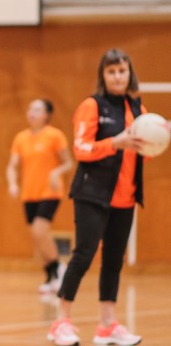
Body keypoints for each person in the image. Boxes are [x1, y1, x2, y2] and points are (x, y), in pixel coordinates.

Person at [48, 49, 145, 346]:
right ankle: (60, 322)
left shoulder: (137, 108)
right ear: (103, 75)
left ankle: (106, 326)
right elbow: (81, 149)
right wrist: (115, 142)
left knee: (114, 260)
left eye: (122, 71)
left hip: (125, 196)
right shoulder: (92, 106)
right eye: (111, 71)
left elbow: (141, 151)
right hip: (92, 193)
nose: (117, 76)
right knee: (84, 254)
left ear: (130, 74)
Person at [6, 99, 73, 293]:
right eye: (30, 109)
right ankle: (50, 275)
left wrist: (55, 173)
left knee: (39, 230)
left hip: (50, 191)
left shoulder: (55, 136)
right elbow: (12, 165)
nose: (32, 112)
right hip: (29, 193)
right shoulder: (21, 138)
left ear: (47, 115)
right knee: (36, 237)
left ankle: (58, 268)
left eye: (37, 109)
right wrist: (12, 183)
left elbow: (69, 162)